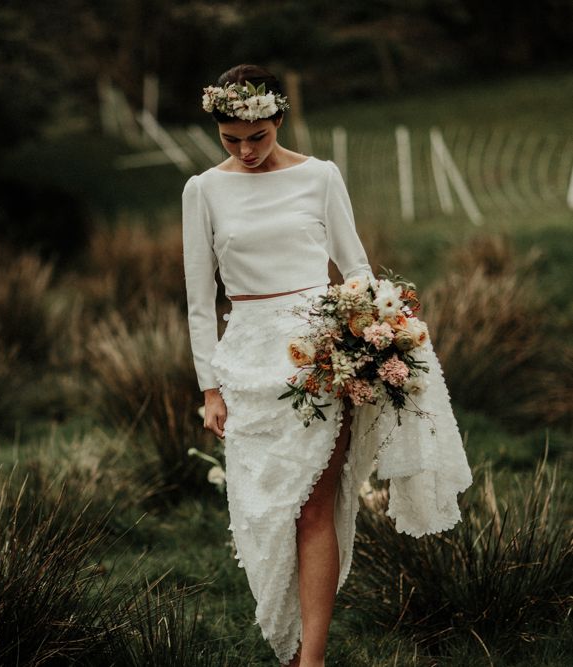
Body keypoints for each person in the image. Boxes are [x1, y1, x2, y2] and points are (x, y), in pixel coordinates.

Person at [181, 63, 472, 667]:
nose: (246, 150)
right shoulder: (203, 190)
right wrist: (208, 385)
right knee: (265, 511)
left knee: (315, 504)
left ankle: (310, 658)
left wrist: (371, 338)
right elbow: (197, 296)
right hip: (247, 360)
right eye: (231, 139)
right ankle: (286, 636)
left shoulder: (319, 177)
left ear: (278, 119)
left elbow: (356, 265)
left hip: (320, 357)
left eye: (256, 137)